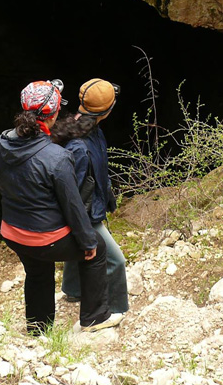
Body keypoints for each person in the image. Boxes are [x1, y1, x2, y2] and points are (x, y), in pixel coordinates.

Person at [0, 79, 124, 334]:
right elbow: (73, 208)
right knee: (97, 250)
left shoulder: (1, 143)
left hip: (13, 232)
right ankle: (95, 318)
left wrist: (15, 195)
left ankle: (38, 329)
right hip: (45, 238)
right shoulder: (56, 157)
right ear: (55, 113)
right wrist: (88, 242)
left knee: (38, 272)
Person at [51, 78, 129, 316]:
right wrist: (82, 224)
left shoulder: (85, 126)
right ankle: (115, 309)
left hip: (88, 208)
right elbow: (72, 193)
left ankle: (73, 289)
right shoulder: (80, 147)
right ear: (106, 111)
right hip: (83, 213)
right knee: (116, 261)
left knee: (81, 246)